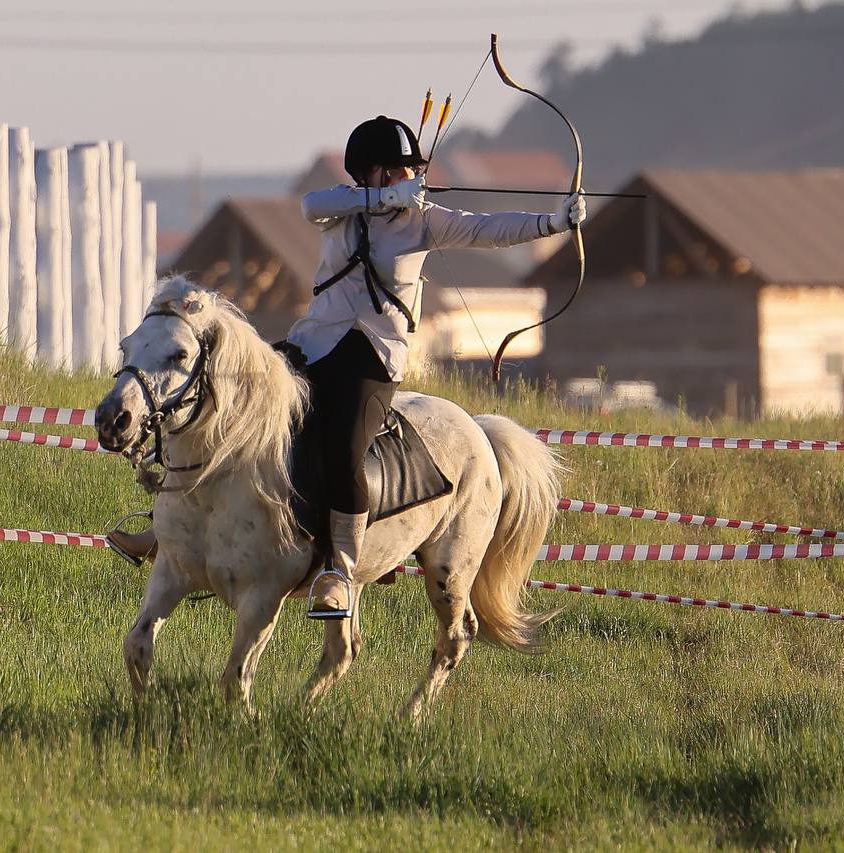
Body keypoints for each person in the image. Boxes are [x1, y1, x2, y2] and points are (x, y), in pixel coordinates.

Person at [108, 114, 586, 620]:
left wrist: (555, 221)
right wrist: (379, 202)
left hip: (372, 359)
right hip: (313, 344)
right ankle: (168, 529)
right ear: (373, 173)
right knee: (227, 400)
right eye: (398, 170)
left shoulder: (425, 220)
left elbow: (489, 230)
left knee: (343, 447)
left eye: (409, 171)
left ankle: (339, 569)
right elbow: (311, 204)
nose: (408, 179)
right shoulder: (339, 209)